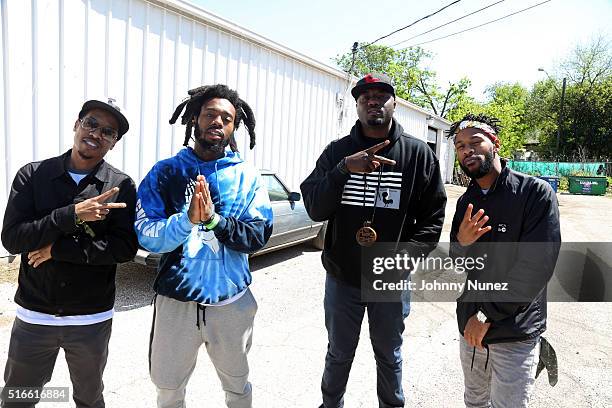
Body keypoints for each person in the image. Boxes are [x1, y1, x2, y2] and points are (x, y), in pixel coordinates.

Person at [301, 73, 447, 408]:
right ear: (357, 105)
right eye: (365, 96)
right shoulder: (338, 152)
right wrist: (343, 171)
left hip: (390, 281)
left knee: (389, 355)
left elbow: (432, 219)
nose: (373, 101)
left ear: (394, 103)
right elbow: (314, 207)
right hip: (343, 279)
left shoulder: (418, 153)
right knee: (338, 353)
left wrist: (402, 261)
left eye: (381, 95)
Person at [135, 84, 273, 408]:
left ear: (233, 127)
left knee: (237, 387)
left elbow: (257, 236)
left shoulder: (247, 176)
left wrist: (214, 221)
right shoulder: (165, 172)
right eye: (210, 114)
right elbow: (145, 233)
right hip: (175, 302)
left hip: (232, 301)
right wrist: (186, 221)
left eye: (226, 117)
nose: (217, 121)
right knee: (168, 389)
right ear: (195, 118)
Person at [0, 98, 137, 408]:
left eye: (108, 131)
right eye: (91, 123)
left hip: (90, 318)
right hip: (35, 315)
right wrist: (71, 214)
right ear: (77, 125)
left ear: (113, 142)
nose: (97, 133)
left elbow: (124, 248)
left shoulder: (121, 186)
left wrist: (58, 249)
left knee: (88, 399)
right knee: (18, 398)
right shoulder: (33, 175)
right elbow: (12, 239)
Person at [449, 113, 561, 408]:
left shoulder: (534, 194)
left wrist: (485, 316)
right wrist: (462, 243)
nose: (467, 151)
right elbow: (457, 266)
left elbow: (535, 269)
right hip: (471, 331)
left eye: (475, 142)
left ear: (495, 143)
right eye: (460, 146)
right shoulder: (465, 202)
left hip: (513, 330)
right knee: (474, 402)